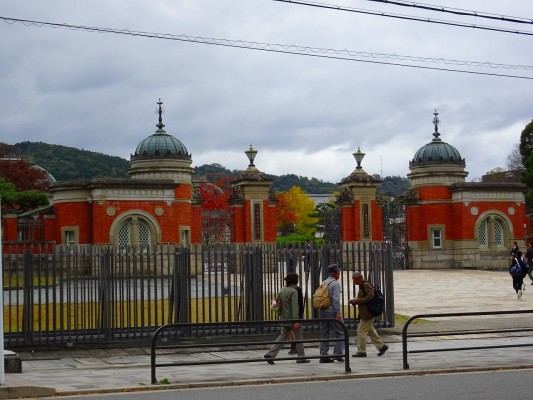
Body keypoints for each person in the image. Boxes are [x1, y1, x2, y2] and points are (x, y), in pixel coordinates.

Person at [264, 272, 310, 364]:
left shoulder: (283, 289)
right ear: (295, 281)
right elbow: (295, 307)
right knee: (299, 338)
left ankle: (270, 354)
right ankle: (301, 357)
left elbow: (277, 301)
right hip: (292, 319)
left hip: (284, 318)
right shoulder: (294, 291)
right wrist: (297, 320)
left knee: (282, 337)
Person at [348, 271, 389, 358]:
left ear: (358, 279)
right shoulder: (362, 285)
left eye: (354, 280)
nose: (353, 281)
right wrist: (355, 301)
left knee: (361, 330)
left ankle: (361, 351)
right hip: (366, 313)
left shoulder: (365, 284)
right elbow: (364, 297)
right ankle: (382, 347)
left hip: (369, 313)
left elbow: (371, 296)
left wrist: (358, 300)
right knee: (370, 330)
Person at [318, 264, 345, 363]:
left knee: (324, 333)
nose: (339, 274)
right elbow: (336, 300)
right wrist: (338, 312)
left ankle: (323, 355)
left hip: (323, 310)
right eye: (338, 272)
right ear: (334, 273)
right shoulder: (335, 283)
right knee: (341, 332)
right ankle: (338, 354)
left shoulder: (324, 282)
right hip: (332, 310)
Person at [288, 283, 304, 355]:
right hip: (291, 314)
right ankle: (295, 348)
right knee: (293, 333)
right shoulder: (288, 289)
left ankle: (294, 346)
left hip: (292, 314)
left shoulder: (296, 290)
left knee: (291, 332)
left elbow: (299, 303)